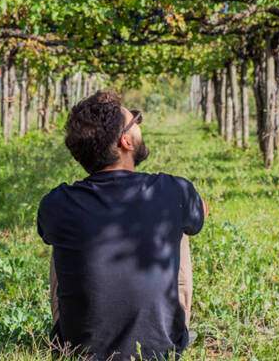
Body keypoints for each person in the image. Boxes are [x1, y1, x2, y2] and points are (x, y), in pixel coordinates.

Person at [37, 90, 209, 360]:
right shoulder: (174, 191)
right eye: (136, 120)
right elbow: (201, 215)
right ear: (125, 141)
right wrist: (189, 204)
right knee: (180, 223)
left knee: (61, 233)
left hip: (79, 353)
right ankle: (171, 334)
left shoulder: (57, 203)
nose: (140, 124)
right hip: (158, 352)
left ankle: (69, 345)